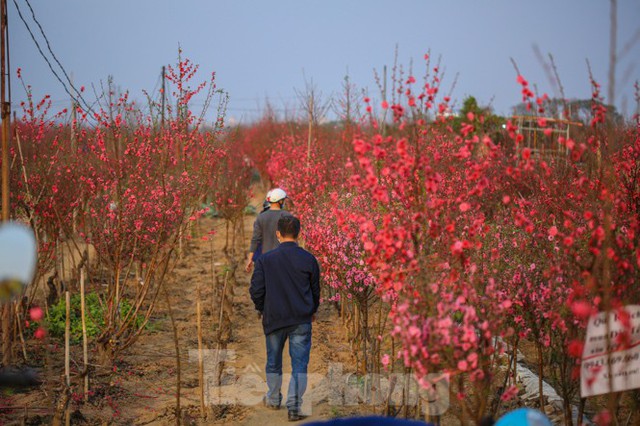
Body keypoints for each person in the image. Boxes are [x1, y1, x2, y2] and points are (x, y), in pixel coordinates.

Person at [249, 215, 320, 422]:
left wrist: (262, 308)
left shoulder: (265, 260)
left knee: (273, 362)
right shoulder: (308, 259)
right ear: (298, 234)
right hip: (301, 318)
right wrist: (312, 309)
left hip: (275, 318)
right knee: (299, 364)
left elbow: (256, 290)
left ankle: (272, 398)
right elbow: (315, 290)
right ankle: (295, 407)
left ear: (278, 234)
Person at [245, 188, 292, 272]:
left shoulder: (261, 217)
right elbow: (292, 239)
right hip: (283, 259)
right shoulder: (287, 216)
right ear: (280, 201)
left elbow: (255, 240)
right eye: (283, 200)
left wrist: (250, 259)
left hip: (265, 259)